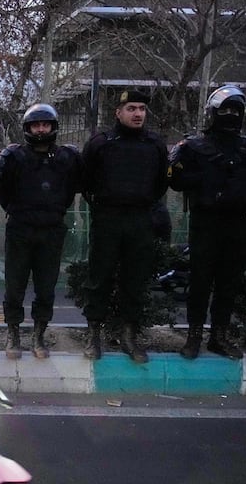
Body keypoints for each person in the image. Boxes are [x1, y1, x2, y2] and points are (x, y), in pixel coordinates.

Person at [168, 86, 246, 360]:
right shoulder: (193, 146)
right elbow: (174, 178)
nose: (231, 115)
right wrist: (206, 182)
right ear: (213, 113)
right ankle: (193, 336)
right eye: (225, 109)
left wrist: (238, 184)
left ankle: (219, 336)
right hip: (207, 223)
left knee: (229, 283)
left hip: (237, 223)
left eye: (236, 110)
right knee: (200, 281)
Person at [80, 90, 168, 363]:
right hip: (108, 219)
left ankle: (129, 335)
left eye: (142, 108)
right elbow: (86, 182)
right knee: (99, 279)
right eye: (131, 108)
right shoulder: (100, 143)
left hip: (140, 220)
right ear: (118, 112)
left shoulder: (155, 144)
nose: (138, 113)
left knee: (135, 281)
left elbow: (161, 184)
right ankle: (93, 334)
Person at [0, 104, 83, 358]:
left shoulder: (68, 158)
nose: (41, 129)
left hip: (52, 231)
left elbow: (72, 190)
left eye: (46, 125)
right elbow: (3, 190)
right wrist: (19, 210)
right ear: (28, 128)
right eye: (36, 125)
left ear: (53, 127)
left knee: (46, 287)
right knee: (14, 286)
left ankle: (39, 336)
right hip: (20, 229)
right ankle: (13, 335)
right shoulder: (14, 157)